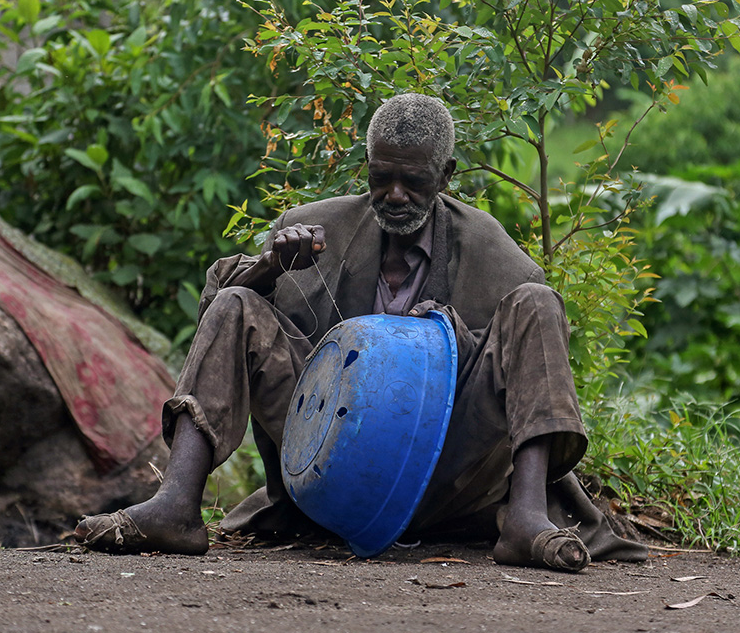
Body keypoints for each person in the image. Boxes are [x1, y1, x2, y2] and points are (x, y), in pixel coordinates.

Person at [75, 93, 647, 571]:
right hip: (329, 459)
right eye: (381, 177)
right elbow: (213, 318)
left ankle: (524, 518)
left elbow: (518, 371)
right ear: (366, 166)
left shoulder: (494, 255)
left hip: (443, 472)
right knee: (235, 303)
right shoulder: (314, 227)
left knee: (538, 304)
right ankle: (176, 505)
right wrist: (269, 267)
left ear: (446, 176)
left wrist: (450, 336)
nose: (394, 194)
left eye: (413, 180)